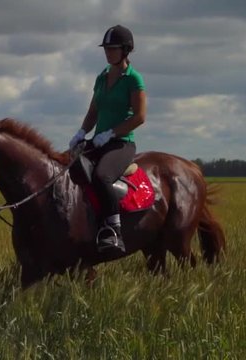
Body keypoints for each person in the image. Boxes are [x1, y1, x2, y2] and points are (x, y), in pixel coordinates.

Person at [69, 24, 147, 252]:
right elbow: (94, 111)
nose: (108, 52)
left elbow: (140, 116)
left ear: (125, 50)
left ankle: (114, 231)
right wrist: (82, 132)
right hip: (99, 139)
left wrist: (112, 133)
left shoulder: (134, 79)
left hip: (121, 143)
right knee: (70, 168)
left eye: (112, 48)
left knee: (102, 176)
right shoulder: (102, 77)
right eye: (106, 48)